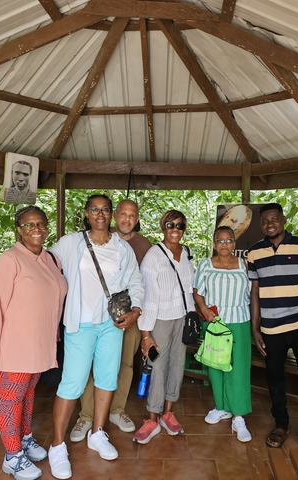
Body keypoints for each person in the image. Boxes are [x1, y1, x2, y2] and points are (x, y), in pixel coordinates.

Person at [47, 194, 144, 480]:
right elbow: (46, 265)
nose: (100, 214)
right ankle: (57, 445)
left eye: (105, 210)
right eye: (95, 210)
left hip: (111, 325)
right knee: (72, 383)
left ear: (111, 215)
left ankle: (98, 433)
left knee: (106, 378)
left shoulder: (121, 248)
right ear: (87, 214)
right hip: (80, 324)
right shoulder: (70, 243)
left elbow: (135, 281)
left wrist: (136, 310)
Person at [0, 206, 67, 480]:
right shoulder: (9, 261)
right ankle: (12, 457)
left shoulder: (50, 259)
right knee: (10, 399)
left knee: (27, 395)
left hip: (39, 344)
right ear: (18, 229)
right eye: (29, 225)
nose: (36, 229)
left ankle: (24, 439)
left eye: (41, 224)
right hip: (12, 346)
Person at [247, 203, 298, 470]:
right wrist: (256, 328)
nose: (270, 224)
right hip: (271, 329)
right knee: (275, 378)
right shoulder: (255, 251)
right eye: (265, 220)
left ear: (283, 220)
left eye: (275, 219)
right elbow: (254, 292)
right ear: (261, 224)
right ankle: (281, 426)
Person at [70, 199, 152, 441]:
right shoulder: (100, 237)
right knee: (92, 365)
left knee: (125, 364)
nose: (127, 219)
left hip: (132, 314)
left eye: (132, 215)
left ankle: (117, 410)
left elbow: (144, 282)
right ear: (114, 215)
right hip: (100, 316)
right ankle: (86, 416)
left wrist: (139, 314)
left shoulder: (143, 244)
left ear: (137, 219)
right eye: (123, 214)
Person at [133, 210, 194, 444]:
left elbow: (190, 286)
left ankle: (168, 412)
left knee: (178, 364)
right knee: (156, 365)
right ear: (163, 226)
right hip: (159, 321)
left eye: (180, 225)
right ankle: (152, 417)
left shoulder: (186, 252)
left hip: (182, 319)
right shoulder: (154, 255)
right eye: (170, 224)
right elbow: (149, 296)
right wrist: (146, 334)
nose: (175, 229)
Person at [193, 226, 253, 442]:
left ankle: (238, 416)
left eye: (229, 241)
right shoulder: (206, 265)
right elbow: (197, 292)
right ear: (214, 243)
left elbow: (251, 293)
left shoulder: (244, 265)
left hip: (239, 322)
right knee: (216, 365)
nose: (225, 245)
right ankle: (221, 407)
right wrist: (204, 309)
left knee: (238, 369)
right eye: (220, 241)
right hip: (215, 322)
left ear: (235, 244)